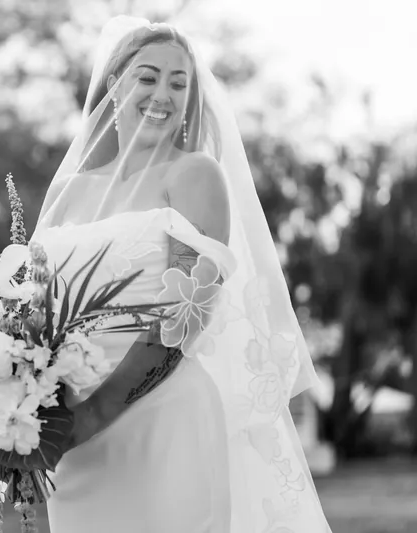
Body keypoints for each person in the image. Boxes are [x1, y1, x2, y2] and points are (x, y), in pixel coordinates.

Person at [30, 17, 332, 532]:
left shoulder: (193, 175)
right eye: (147, 77)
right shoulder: (67, 193)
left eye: (178, 82)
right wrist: (22, 402)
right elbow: (31, 311)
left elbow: (186, 314)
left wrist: (95, 414)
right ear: (114, 84)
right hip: (73, 438)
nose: (162, 94)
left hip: (163, 416)